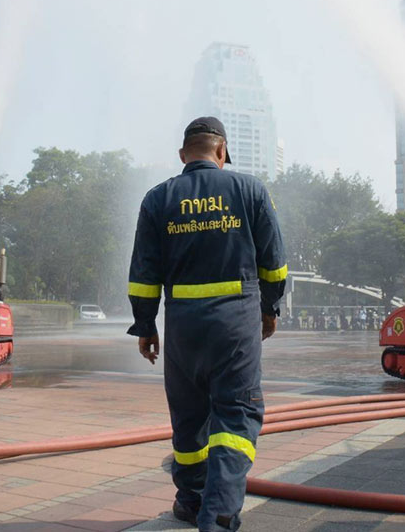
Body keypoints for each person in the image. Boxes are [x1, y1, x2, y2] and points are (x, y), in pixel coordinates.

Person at [127, 116, 286, 531]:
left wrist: (145, 326)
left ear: (183, 155)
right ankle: (216, 518)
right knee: (235, 420)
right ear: (222, 152)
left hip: (182, 329)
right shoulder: (249, 190)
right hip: (234, 325)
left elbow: (143, 274)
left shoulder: (157, 198)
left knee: (189, 418)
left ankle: (191, 500)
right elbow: (274, 263)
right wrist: (270, 309)